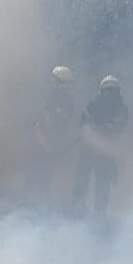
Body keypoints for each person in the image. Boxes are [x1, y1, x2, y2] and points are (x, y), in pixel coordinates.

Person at [71, 75, 128, 214]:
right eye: (108, 92)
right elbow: (85, 125)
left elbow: (116, 129)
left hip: (101, 150)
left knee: (99, 183)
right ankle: (80, 208)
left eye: (112, 92)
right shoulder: (95, 104)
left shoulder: (118, 108)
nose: (110, 96)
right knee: (86, 180)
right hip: (93, 149)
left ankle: (96, 213)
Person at [28, 65, 80, 198]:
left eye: (54, 80)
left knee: (45, 173)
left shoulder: (65, 101)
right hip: (41, 139)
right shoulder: (49, 96)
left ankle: (39, 200)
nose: (51, 82)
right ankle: (30, 197)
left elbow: (62, 121)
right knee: (35, 171)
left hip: (51, 140)